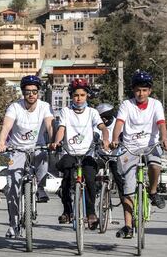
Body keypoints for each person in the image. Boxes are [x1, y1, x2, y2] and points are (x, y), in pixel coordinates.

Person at [111, 70, 167, 240]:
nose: (141, 93)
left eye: (145, 90)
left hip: (151, 145)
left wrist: (165, 139)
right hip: (129, 148)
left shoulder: (156, 104)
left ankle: (153, 192)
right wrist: (115, 139)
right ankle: (128, 226)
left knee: (154, 165)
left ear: (150, 91)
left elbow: (161, 124)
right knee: (128, 190)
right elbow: (119, 124)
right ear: (133, 90)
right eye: (138, 90)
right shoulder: (126, 105)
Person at [0, 74, 54, 239]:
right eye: (28, 91)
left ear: (39, 92)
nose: (31, 95)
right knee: (11, 189)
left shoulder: (45, 106)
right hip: (17, 150)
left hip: (37, 147)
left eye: (34, 91)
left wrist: (53, 141)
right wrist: (2, 142)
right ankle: (13, 225)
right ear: (23, 92)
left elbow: (50, 125)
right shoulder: (15, 107)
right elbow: (6, 126)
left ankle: (40, 187)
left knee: (44, 156)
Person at [52, 78, 109, 229]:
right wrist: (57, 142)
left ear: (87, 96)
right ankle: (67, 211)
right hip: (70, 152)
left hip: (87, 154)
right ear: (71, 96)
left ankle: (91, 213)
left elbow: (103, 127)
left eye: (82, 95)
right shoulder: (66, 111)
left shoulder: (92, 112)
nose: (79, 98)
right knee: (66, 181)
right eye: (76, 95)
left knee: (90, 180)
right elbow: (61, 129)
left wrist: (105, 139)